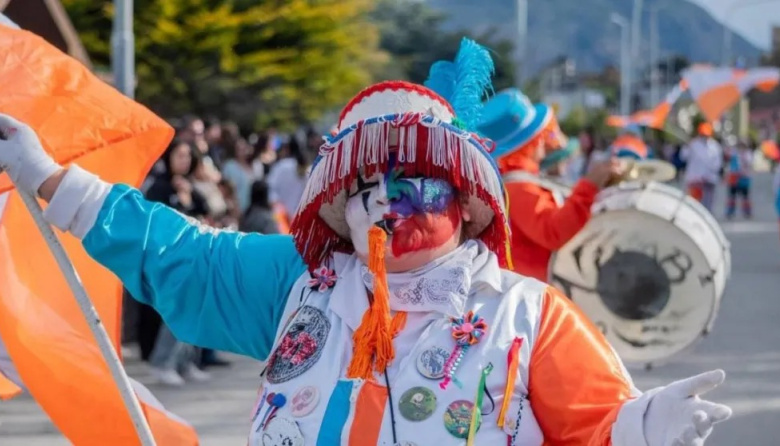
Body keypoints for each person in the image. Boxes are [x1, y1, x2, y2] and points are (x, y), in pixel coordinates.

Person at [0, 39, 730, 445]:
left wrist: (640, 428)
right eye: (366, 186)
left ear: (471, 202)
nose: (387, 203)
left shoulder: (530, 315)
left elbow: (594, 425)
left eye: (417, 184)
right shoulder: (302, 282)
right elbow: (184, 255)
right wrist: (55, 182)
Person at [476, 89, 623, 282]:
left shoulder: (518, 182)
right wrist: (590, 185)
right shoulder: (518, 187)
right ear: (532, 141)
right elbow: (553, 231)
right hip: (532, 294)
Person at [681, 122, 723, 213]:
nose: (704, 137)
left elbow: (717, 164)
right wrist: (686, 146)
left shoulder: (715, 146)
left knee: (708, 205)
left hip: (709, 179)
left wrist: (708, 173)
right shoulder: (693, 144)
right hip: (695, 179)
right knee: (694, 204)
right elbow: (683, 156)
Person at [724, 140, 753, 219]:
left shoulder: (748, 154)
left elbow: (749, 164)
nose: (741, 147)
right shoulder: (734, 153)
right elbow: (727, 157)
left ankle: (747, 212)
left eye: (743, 146)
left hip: (744, 179)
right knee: (732, 196)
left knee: (745, 197)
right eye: (740, 145)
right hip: (734, 178)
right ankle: (730, 211)